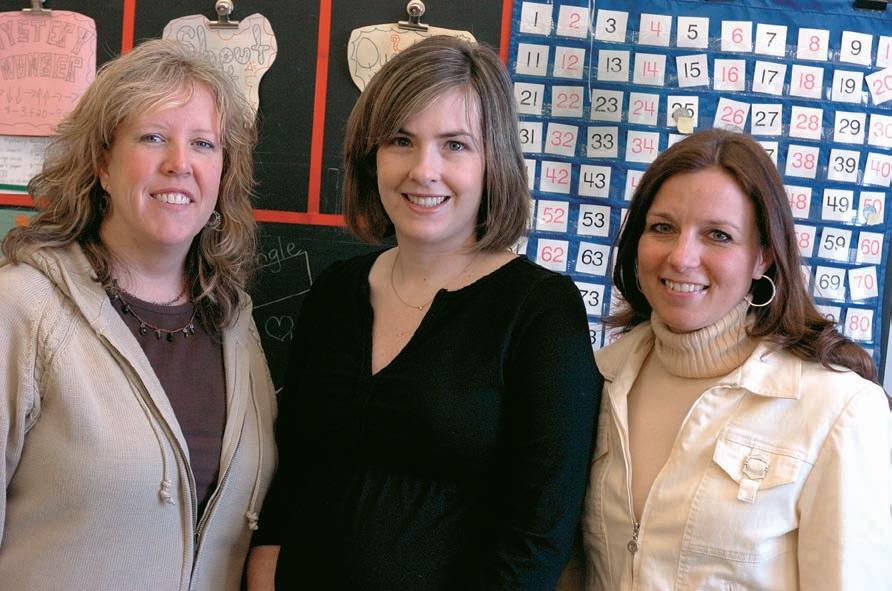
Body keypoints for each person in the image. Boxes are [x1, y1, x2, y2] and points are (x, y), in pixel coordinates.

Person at [246, 35, 598, 590]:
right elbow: (290, 476)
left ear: (493, 162)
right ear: (372, 156)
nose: (423, 170)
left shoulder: (540, 312)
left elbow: (535, 541)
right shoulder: (337, 293)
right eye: (401, 141)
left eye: (455, 145)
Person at [0, 39, 276, 590]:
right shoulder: (22, 307)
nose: (180, 164)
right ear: (103, 162)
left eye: (203, 144)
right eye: (153, 138)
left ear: (222, 173)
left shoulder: (233, 325)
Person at [575, 129, 891, 590]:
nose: (682, 257)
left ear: (762, 257)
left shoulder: (838, 409)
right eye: (662, 227)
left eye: (718, 236)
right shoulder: (599, 378)